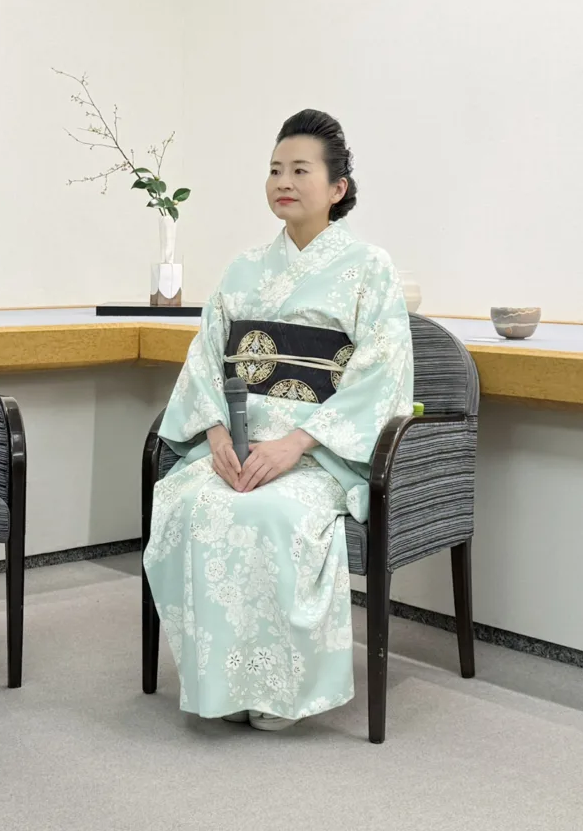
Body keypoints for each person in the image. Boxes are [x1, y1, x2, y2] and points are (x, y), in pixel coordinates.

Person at [143, 109, 414, 731]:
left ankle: (280, 687)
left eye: (299, 170)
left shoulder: (369, 267)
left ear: (337, 187)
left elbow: (382, 371)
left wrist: (296, 444)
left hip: (317, 453)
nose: (282, 182)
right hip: (240, 445)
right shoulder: (242, 268)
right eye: (274, 170)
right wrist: (216, 433)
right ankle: (223, 681)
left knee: (272, 514)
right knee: (188, 502)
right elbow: (206, 359)